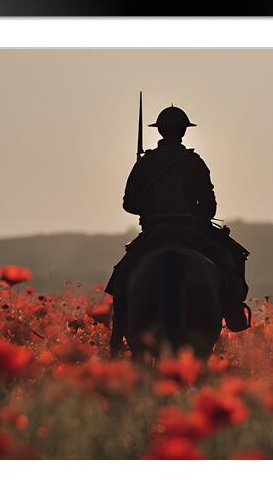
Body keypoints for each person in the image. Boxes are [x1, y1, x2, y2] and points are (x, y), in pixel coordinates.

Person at [105, 105, 251, 331]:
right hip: (191, 230)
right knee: (232, 257)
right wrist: (196, 216)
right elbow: (210, 206)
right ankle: (234, 313)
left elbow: (129, 204)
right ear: (183, 131)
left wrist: (150, 209)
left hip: (155, 231)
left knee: (123, 272)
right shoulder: (194, 162)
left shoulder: (145, 162)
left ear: (160, 131)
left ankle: (119, 326)